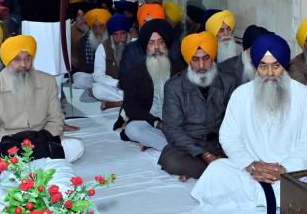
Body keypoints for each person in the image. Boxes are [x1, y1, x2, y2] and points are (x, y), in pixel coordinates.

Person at [190, 34, 307, 214]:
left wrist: (283, 169)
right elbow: (229, 137)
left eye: (276, 66)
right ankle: (264, 199)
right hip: (250, 171)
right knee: (217, 170)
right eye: (263, 66)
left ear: (284, 66)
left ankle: (258, 199)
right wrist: (251, 165)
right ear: (256, 66)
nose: (269, 73)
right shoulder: (241, 95)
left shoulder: (305, 96)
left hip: (289, 172)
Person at [0, 35, 85, 168]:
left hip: (42, 139)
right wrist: (19, 142)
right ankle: (42, 164)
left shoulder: (47, 81)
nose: (23, 64)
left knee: (76, 147)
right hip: (8, 143)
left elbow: (56, 120)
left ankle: (25, 167)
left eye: (28, 59)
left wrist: (40, 138)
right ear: (7, 61)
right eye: (17, 59)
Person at [159, 31, 237, 181]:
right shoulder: (174, 86)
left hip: (221, 144)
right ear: (188, 60)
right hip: (190, 146)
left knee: (247, 155)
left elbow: (235, 122)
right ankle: (219, 169)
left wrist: (223, 150)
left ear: (213, 57)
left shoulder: (228, 81)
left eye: (206, 58)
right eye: (195, 59)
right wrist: (205, 155)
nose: (201, 65)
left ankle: (209, 170)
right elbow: (173, 130)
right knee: (172, 161)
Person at [120, 20, 180, 151]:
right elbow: (130, 107)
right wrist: (156, 122)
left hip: (175, 123)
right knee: (132, 129)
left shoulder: (180, 70)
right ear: (146, 46)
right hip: (149, 121)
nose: (157, 47)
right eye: (151, 43)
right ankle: (173, 148)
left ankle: (158, 143)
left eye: (161, 41)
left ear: (167, 45)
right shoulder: (135, 72)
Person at [91, 13, 130, 108]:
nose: (120, 37)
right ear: (111, 36)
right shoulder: (103, 47)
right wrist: (117, 83)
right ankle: (129, 101)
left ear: (128, 33)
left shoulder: (136, 45)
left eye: (123, 33)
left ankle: (118, 103)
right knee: (97, 89)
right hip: (115, 87)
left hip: (133, 87)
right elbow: (98, 75)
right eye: (116, 34)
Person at [72, 8, 111, 81]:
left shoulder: (112, 39)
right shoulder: (83, 41)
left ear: (106, 27)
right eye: (94, 26)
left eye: (101, 26)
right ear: (91, 27)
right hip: (91, 76)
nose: (97, 29)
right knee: (78, 77)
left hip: (109, 77)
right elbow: (83, 67)